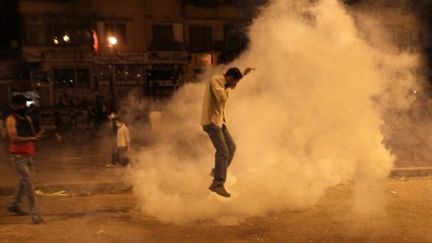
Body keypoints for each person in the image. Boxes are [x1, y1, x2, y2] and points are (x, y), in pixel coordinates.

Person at [201, 67, 254, 197]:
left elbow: (230, 82)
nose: (235, 85)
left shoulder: (226, 82)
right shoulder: (216, 81)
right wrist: (229, 86)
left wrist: (242, 74)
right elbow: (221, 98)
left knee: (231, 147)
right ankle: (218, 184)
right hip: (211, 122)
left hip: (219, 122)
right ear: (229, 78)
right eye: (235, 82)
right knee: (223, 151)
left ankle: (217, 171)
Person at [5, 95, 44, 224]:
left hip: (28, 155)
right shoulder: (11, 119)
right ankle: (36, 214)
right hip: (18, 157)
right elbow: (14, 138)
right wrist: (33, 139)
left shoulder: (27, 118)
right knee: (29, 184)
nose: (23, 106)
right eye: (20, 104)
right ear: (14, 106)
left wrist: (45, 135)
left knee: (23, 181)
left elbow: (32, 135)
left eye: (24, 104)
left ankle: (14, 204)